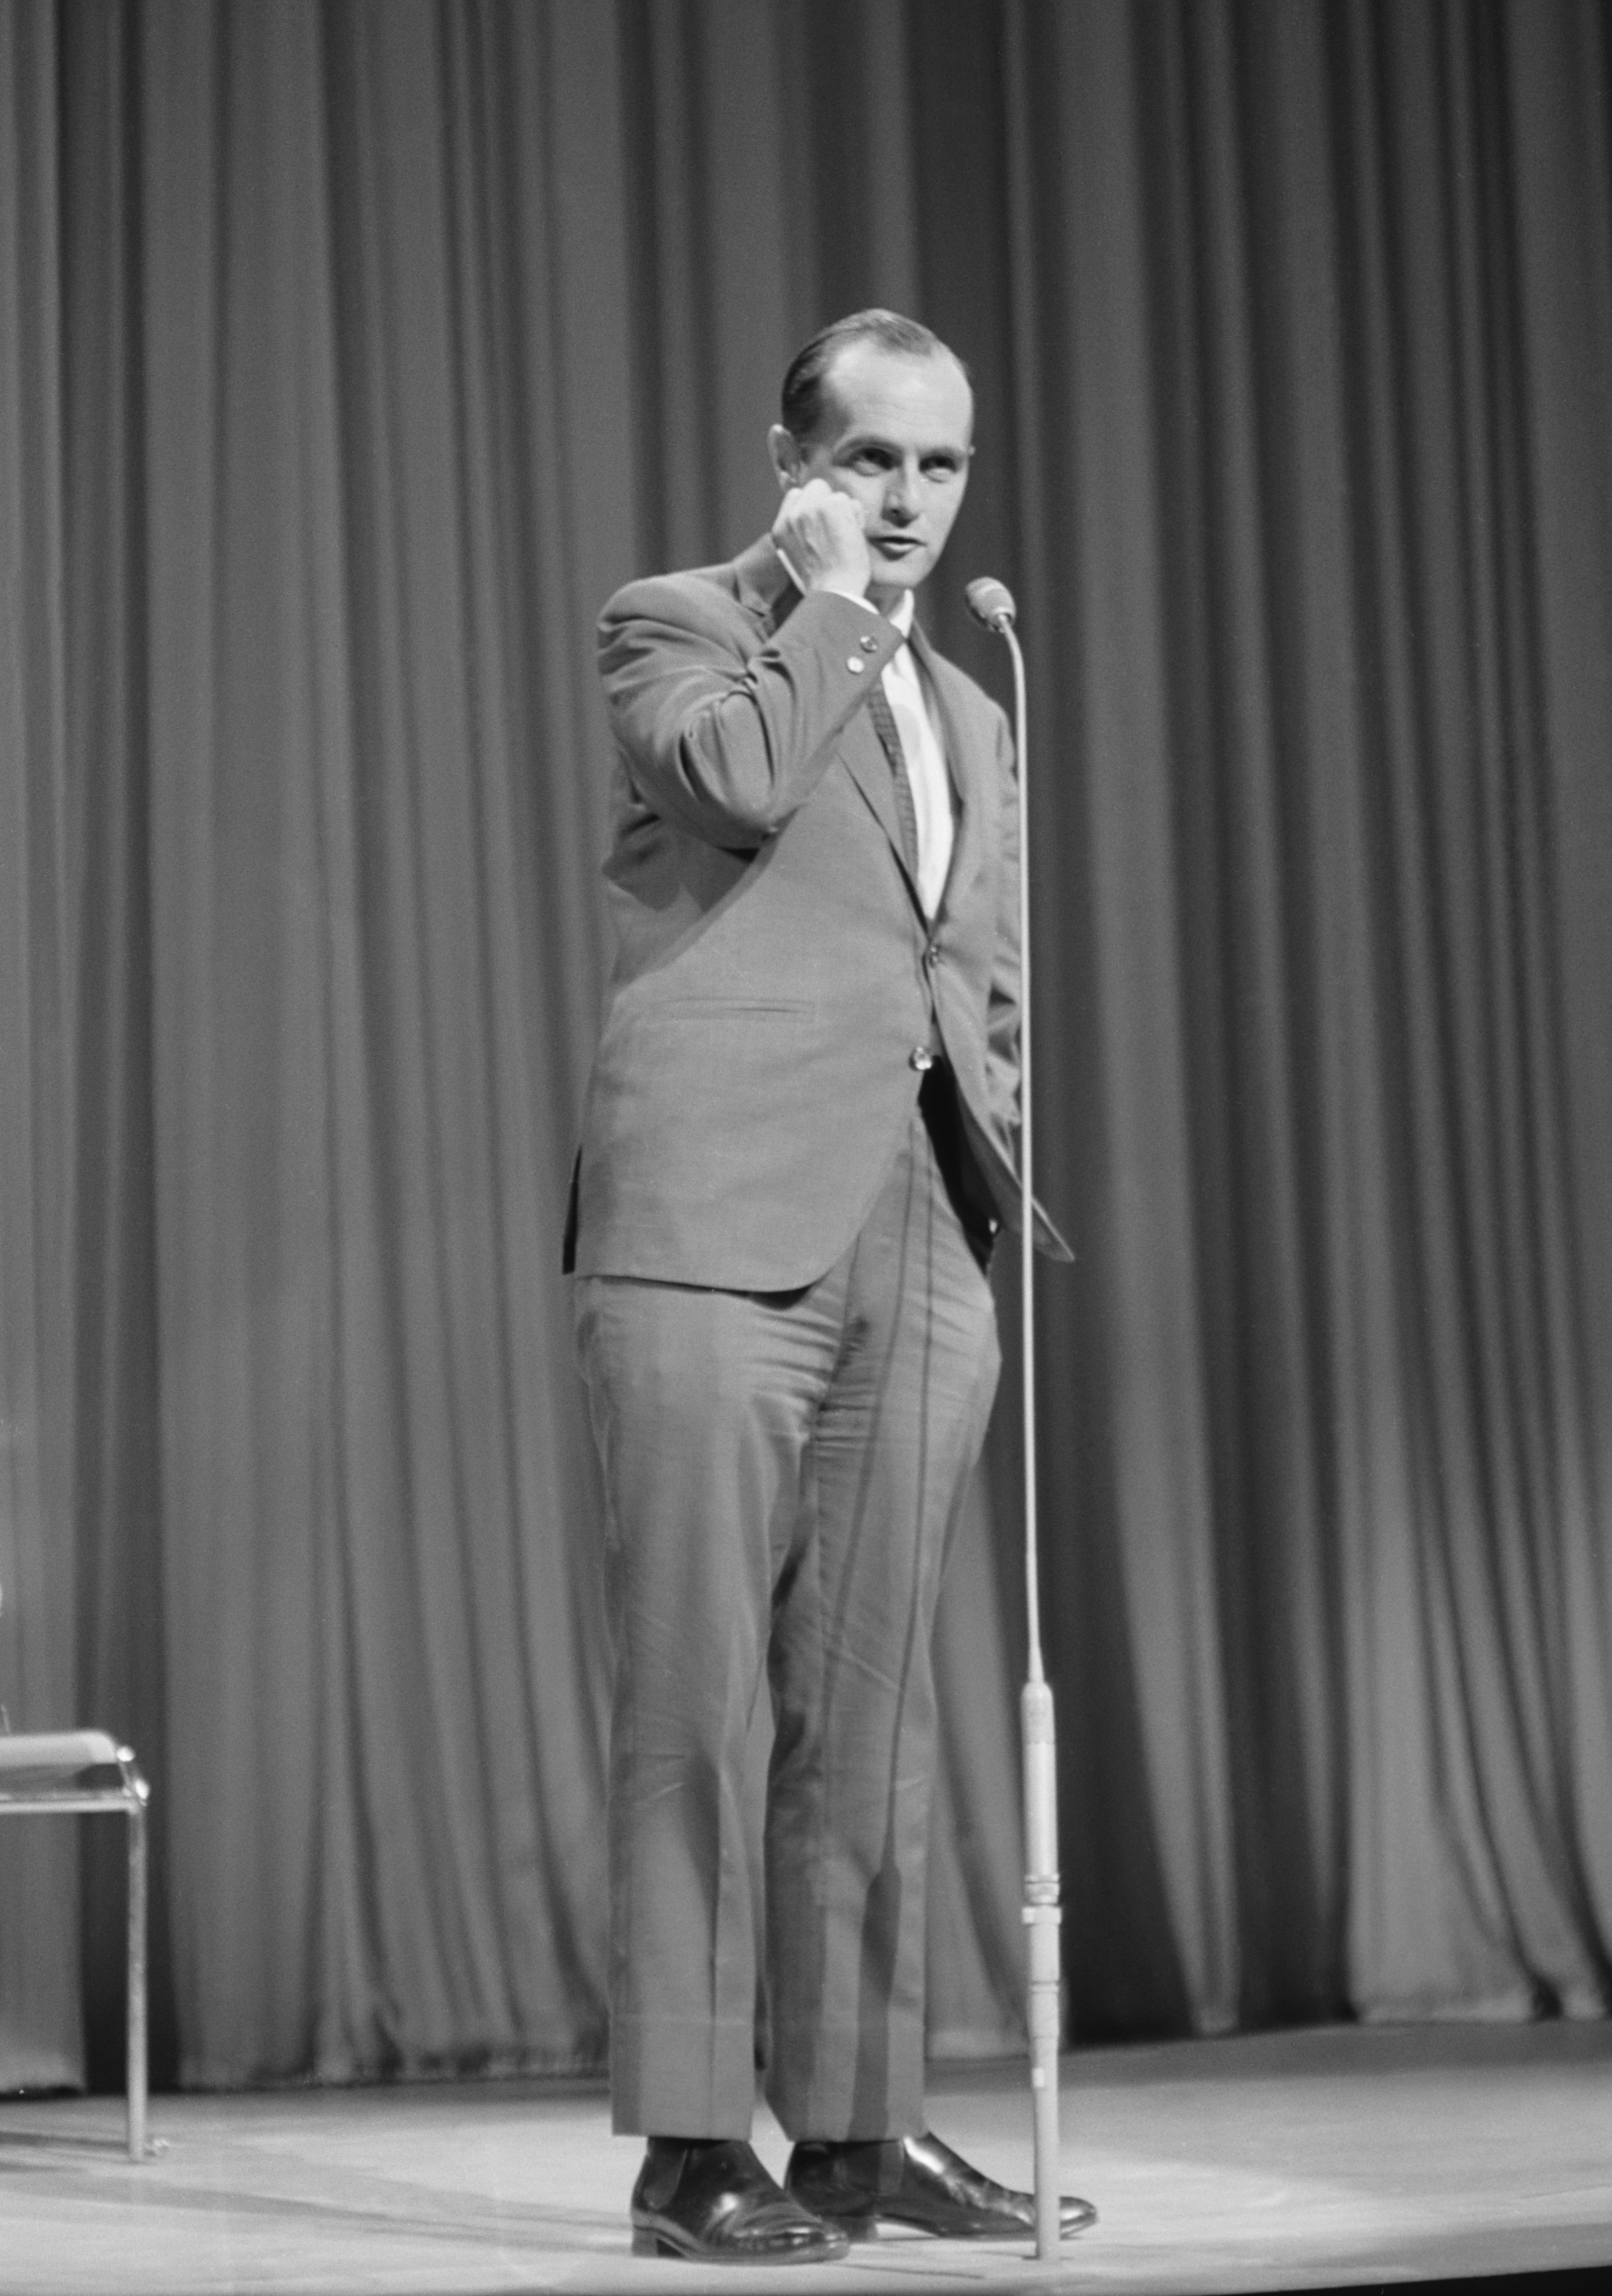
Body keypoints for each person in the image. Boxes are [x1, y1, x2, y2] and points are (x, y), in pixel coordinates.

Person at [566, 309, 1095, 2262]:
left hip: (914, 1229)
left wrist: (992, 1165)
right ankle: (692, 2143)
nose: (907, 500)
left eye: (937, 465)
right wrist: (821, 601)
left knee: (866, 1709)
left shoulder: (970, 706)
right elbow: (729, 782)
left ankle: (859, 2128)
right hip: (711, 1222)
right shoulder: (682, 621)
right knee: (695, 1701)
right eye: (869, 458)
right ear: (791, 457)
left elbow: (979, 973)